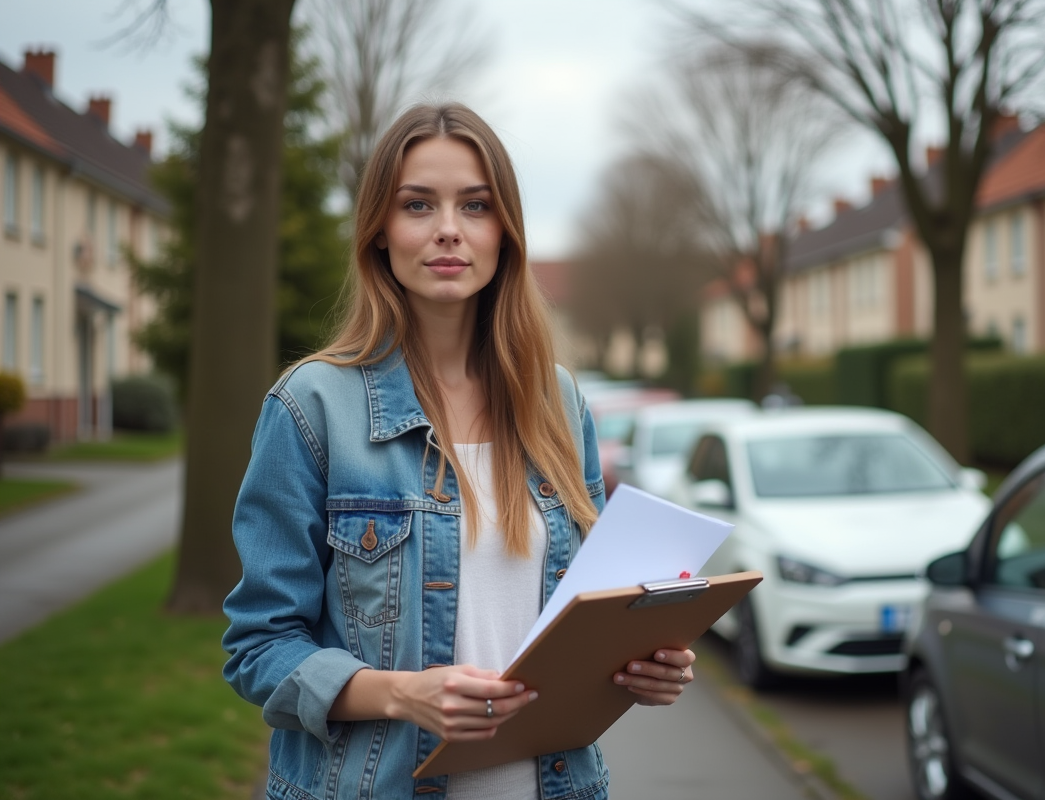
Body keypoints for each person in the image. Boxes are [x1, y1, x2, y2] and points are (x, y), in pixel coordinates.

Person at [222, 103, 696, 800]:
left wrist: (642, 666)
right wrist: (400, 694)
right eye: (418, 204)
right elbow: (259, 647)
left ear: (504, 232)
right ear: (380, 231)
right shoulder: (311, 407)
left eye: (475, 205)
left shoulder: (559, 403)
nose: (448, 229)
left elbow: (586, 619)